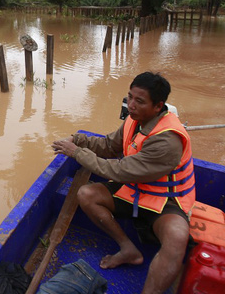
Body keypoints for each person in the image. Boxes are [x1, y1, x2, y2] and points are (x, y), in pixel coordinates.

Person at [51, 72, 194, 294]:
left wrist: (77, 153)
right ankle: (128, 248)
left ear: (158, 106)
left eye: (140, 101)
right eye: (130, 97)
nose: (131, 105)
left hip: (165, 201)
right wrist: (78, 139)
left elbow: (118, 170)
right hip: (134, 190)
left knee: (177, 238)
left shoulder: (167, 141)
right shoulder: (133, 119)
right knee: (86, 194)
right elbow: (109, 146)